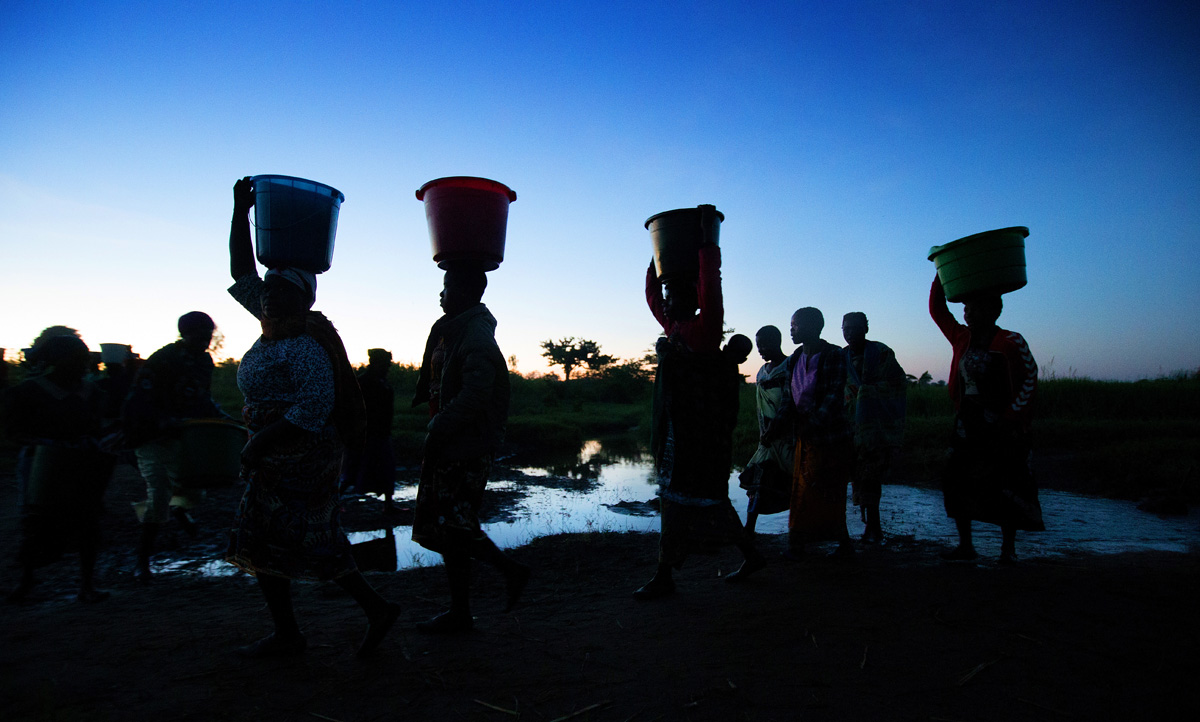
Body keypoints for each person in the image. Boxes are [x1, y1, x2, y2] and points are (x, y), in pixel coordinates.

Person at [226, 176, 399, 657]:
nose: (268, 296)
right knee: (265, 541)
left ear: (304, 298)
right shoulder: (272, 330)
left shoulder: (305, 343)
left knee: (309, 539)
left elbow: (313, 409)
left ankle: (370, 610)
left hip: (302, 456)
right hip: (273, 454)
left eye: (280, 290)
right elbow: (244, 271)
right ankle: (289, 632)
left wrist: (259, 443)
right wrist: (241, 211)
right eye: (267, 291)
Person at [636, 209, 764, 600]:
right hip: (677, 438)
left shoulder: (704, 331)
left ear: (693, 299)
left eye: (677, 294)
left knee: (706, 502)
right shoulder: (673, 329)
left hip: (698, 440)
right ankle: (666, 575)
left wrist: (708, 242)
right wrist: (660, 258)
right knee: (676, 505)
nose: (669, 301)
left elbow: (712, 284)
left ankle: (672, 574)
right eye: (668, 295)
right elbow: (651, 296)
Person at [411, 266, 530, 633]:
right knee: (451, 529)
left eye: (447, 287)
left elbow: (476, 395)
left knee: (454, 525)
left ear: (466, 291)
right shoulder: (453, 329)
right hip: (451, 442)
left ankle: (510, 571)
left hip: (464, 445)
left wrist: (438, 426)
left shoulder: (475, 335)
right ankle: (460, 612)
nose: (441, 294)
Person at [929, 275, 1041, 564]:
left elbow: (1029, 378)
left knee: (1006, 481)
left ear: (994, 311)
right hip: (968, 421)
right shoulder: (961, 337)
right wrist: (940, 274)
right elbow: (937, 311)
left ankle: (1008, 550)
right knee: (957, 479)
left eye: (974, 309)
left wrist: (1010, 417)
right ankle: (966, 545)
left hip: (1004, 424)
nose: (967, 313)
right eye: (966, 309)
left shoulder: (1010, 340)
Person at [3, 333, 115, 603]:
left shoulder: (92, 392)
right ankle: (27, 580)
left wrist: (100, 441)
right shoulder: (29, 391)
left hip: (81, 460)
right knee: (37, 518)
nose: (81, 365)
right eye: (75, 360)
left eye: (82, 360)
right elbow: (13, 432)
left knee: (88, 520)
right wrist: (44, 444)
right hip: (41, 462)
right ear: (56, 361)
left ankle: (86, 584)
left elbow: (100, 426)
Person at [122, 312, 225, 581]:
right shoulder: (163, 360)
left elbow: (203, 399)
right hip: (152, 437)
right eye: (199, 335)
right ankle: (141, 561)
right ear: (184, 333)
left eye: (208, 335)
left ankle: (178, 511)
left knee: (193, 487)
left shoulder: (204, 361)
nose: (205, 340)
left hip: (185, 435)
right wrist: (163, 422)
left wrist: (224, 419)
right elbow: (139, 402)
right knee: (158, 494)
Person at [771, 307, 854, 559]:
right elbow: (788, 398)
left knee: (826, 490)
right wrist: (778, 426)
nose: (791, 330)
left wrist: (813, 423)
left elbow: (833, 396)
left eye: (795, 325)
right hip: (805, 438)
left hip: (829, 438)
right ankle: (800, 544)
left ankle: (838, 542)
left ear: (813, 327)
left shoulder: (834, 355)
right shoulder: (795, 358)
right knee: (802, 489)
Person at [841, 312, 907, 543]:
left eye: (855, 328)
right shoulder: (841, 357)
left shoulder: (881, 353)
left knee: (871, 476)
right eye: (845, 328)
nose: (849, 333)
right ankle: (868, 525)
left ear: (866, 328)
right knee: (856, 477)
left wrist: (868, 393)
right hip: (849, 429)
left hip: (876, 429)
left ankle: (874, 525)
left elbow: (898, 384)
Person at [737, 326, 794, 534]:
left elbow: (790, 403)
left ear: (777, 342)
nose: (760, 349)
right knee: (757, 480)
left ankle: (796, 529)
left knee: (791, 483)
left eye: (764, 344)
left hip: (786, 438)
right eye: (758, 345)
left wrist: (778, 428)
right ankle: (749, 528)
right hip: (766, 439)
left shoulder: (790, 366)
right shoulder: (762, 372)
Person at [342, 348, 397, 514]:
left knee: (387, 469)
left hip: (381, 433)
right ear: (376, 363)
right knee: (353, 470)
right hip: (365, 435)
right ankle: (335, 503)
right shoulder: (363, 383)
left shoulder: (382, 382)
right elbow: (352, 410)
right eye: (386, 364)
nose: (388, 367)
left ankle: (389, 505)